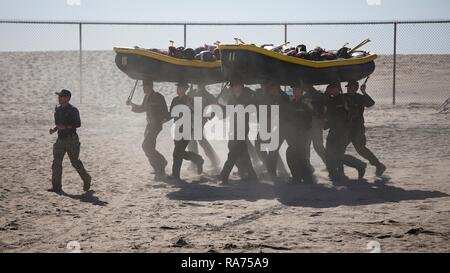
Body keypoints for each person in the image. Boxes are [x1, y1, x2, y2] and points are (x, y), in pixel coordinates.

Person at [49, 89, 91, 192]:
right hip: (60, 139)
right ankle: (56, 187)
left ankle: (87, 179)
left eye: (61, 96)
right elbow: (59, 124)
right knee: (56, 163)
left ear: (67, 98)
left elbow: (78, 124)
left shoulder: (73, 110)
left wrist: (66, 127)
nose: (59, 98)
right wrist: (54, 129)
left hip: (72, 139)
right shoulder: (57, 110)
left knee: (75, 162)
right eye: (59, 96)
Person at [127, 80, 170, 179]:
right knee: (150, 147)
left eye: (146, 87)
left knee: (145, 146)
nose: (144, 89)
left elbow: (165, 112)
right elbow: (142, 108)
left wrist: (162, 120)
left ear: (151, 86)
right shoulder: (146, 97)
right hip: (149, 125)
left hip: (156, 126)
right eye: (143, 87)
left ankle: (162, 163)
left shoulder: (159, 97)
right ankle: (158, 168)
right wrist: (132, 104)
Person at [324, 83, 366, 181]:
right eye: (329, 89)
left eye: (332, 89)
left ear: (338, 89)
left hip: (343, 131)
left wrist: (349, 109)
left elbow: (355, 112)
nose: (330, 91)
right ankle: (334, 173)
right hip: (333, 130)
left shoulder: (345, 99)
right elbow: (328, 110)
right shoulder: (331, 99)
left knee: (338, 154)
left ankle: (359, 165)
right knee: (328, 153)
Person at [345, 80, 387, 176]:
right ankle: (337, 167)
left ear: (356, 88)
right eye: (347, 87)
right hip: (346, 128)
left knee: (361, 149)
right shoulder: (343, 97)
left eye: (351, 87)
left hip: (357, 128)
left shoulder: (360, 98)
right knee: (339, 149)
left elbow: (371, 103)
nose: (348, 89)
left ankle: (378, 165)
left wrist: (364, 92)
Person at [219, 81, 258, 184]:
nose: (234, 88)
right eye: (233, 86)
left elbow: (252, 110)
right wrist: (218, 106)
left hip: (242, 128)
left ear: (241, 86)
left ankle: (223, 175)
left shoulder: (247, 98)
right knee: (242, 153)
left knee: (233, 153)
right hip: (233, 128)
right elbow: (226, 113)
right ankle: (252, 175)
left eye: (236, 86)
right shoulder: (232, 98)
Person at [254, 81, 290, 179]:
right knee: (258, 144)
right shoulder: (267, 95)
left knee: (273, 149)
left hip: (282, 126)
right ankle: (270, 168)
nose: (267, 88)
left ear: (277, 86)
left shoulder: (283, 97)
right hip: (269, 125)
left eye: (269, 86)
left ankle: (272, 172)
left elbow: (283, 114)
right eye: (263, 86)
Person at [169, 82, 204, 181]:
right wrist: (162, 119)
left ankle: (175, 175)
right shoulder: (175, 100)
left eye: (180, 88)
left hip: (187, 129)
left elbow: (199, 112)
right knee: (179, 152)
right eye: (177, 88)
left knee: (177, 152)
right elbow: (171, 113)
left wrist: (190, 106)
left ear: (185, 89)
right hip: (177, 128)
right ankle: (198, 160)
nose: (178, 90)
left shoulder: (190, 100)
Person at [186, 84, 221, 170]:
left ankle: (214, 160)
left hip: (200, 120)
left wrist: (206, 116)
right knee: (192, 140)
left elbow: (213, 109)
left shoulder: (208, 96)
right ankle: (195, 161)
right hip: (191, 118)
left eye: (201, 83)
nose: (199, 86)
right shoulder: (191, 92)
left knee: (199, 139)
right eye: (198, 83)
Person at [285, 86, 314, 184]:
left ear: (301, 91)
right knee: (291, 153)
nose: (295, 91)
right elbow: (288, 118)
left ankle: (307, 177)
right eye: (294, 90)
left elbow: (312, 114)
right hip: (294, 133)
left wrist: (309, 105)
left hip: (303, 132)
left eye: (297, 90)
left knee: (301, 154)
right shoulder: (292, 103)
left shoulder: (306, 102)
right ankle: (297, 177)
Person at [303, 84, 327, 167]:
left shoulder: (317, 95)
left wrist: (309, 105)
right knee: (309, 147)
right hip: (308, 124)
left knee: (316, 147)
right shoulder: (307, 95)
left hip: (315, 123)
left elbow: (317, 112)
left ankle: (331, 165)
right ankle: (308, 167)